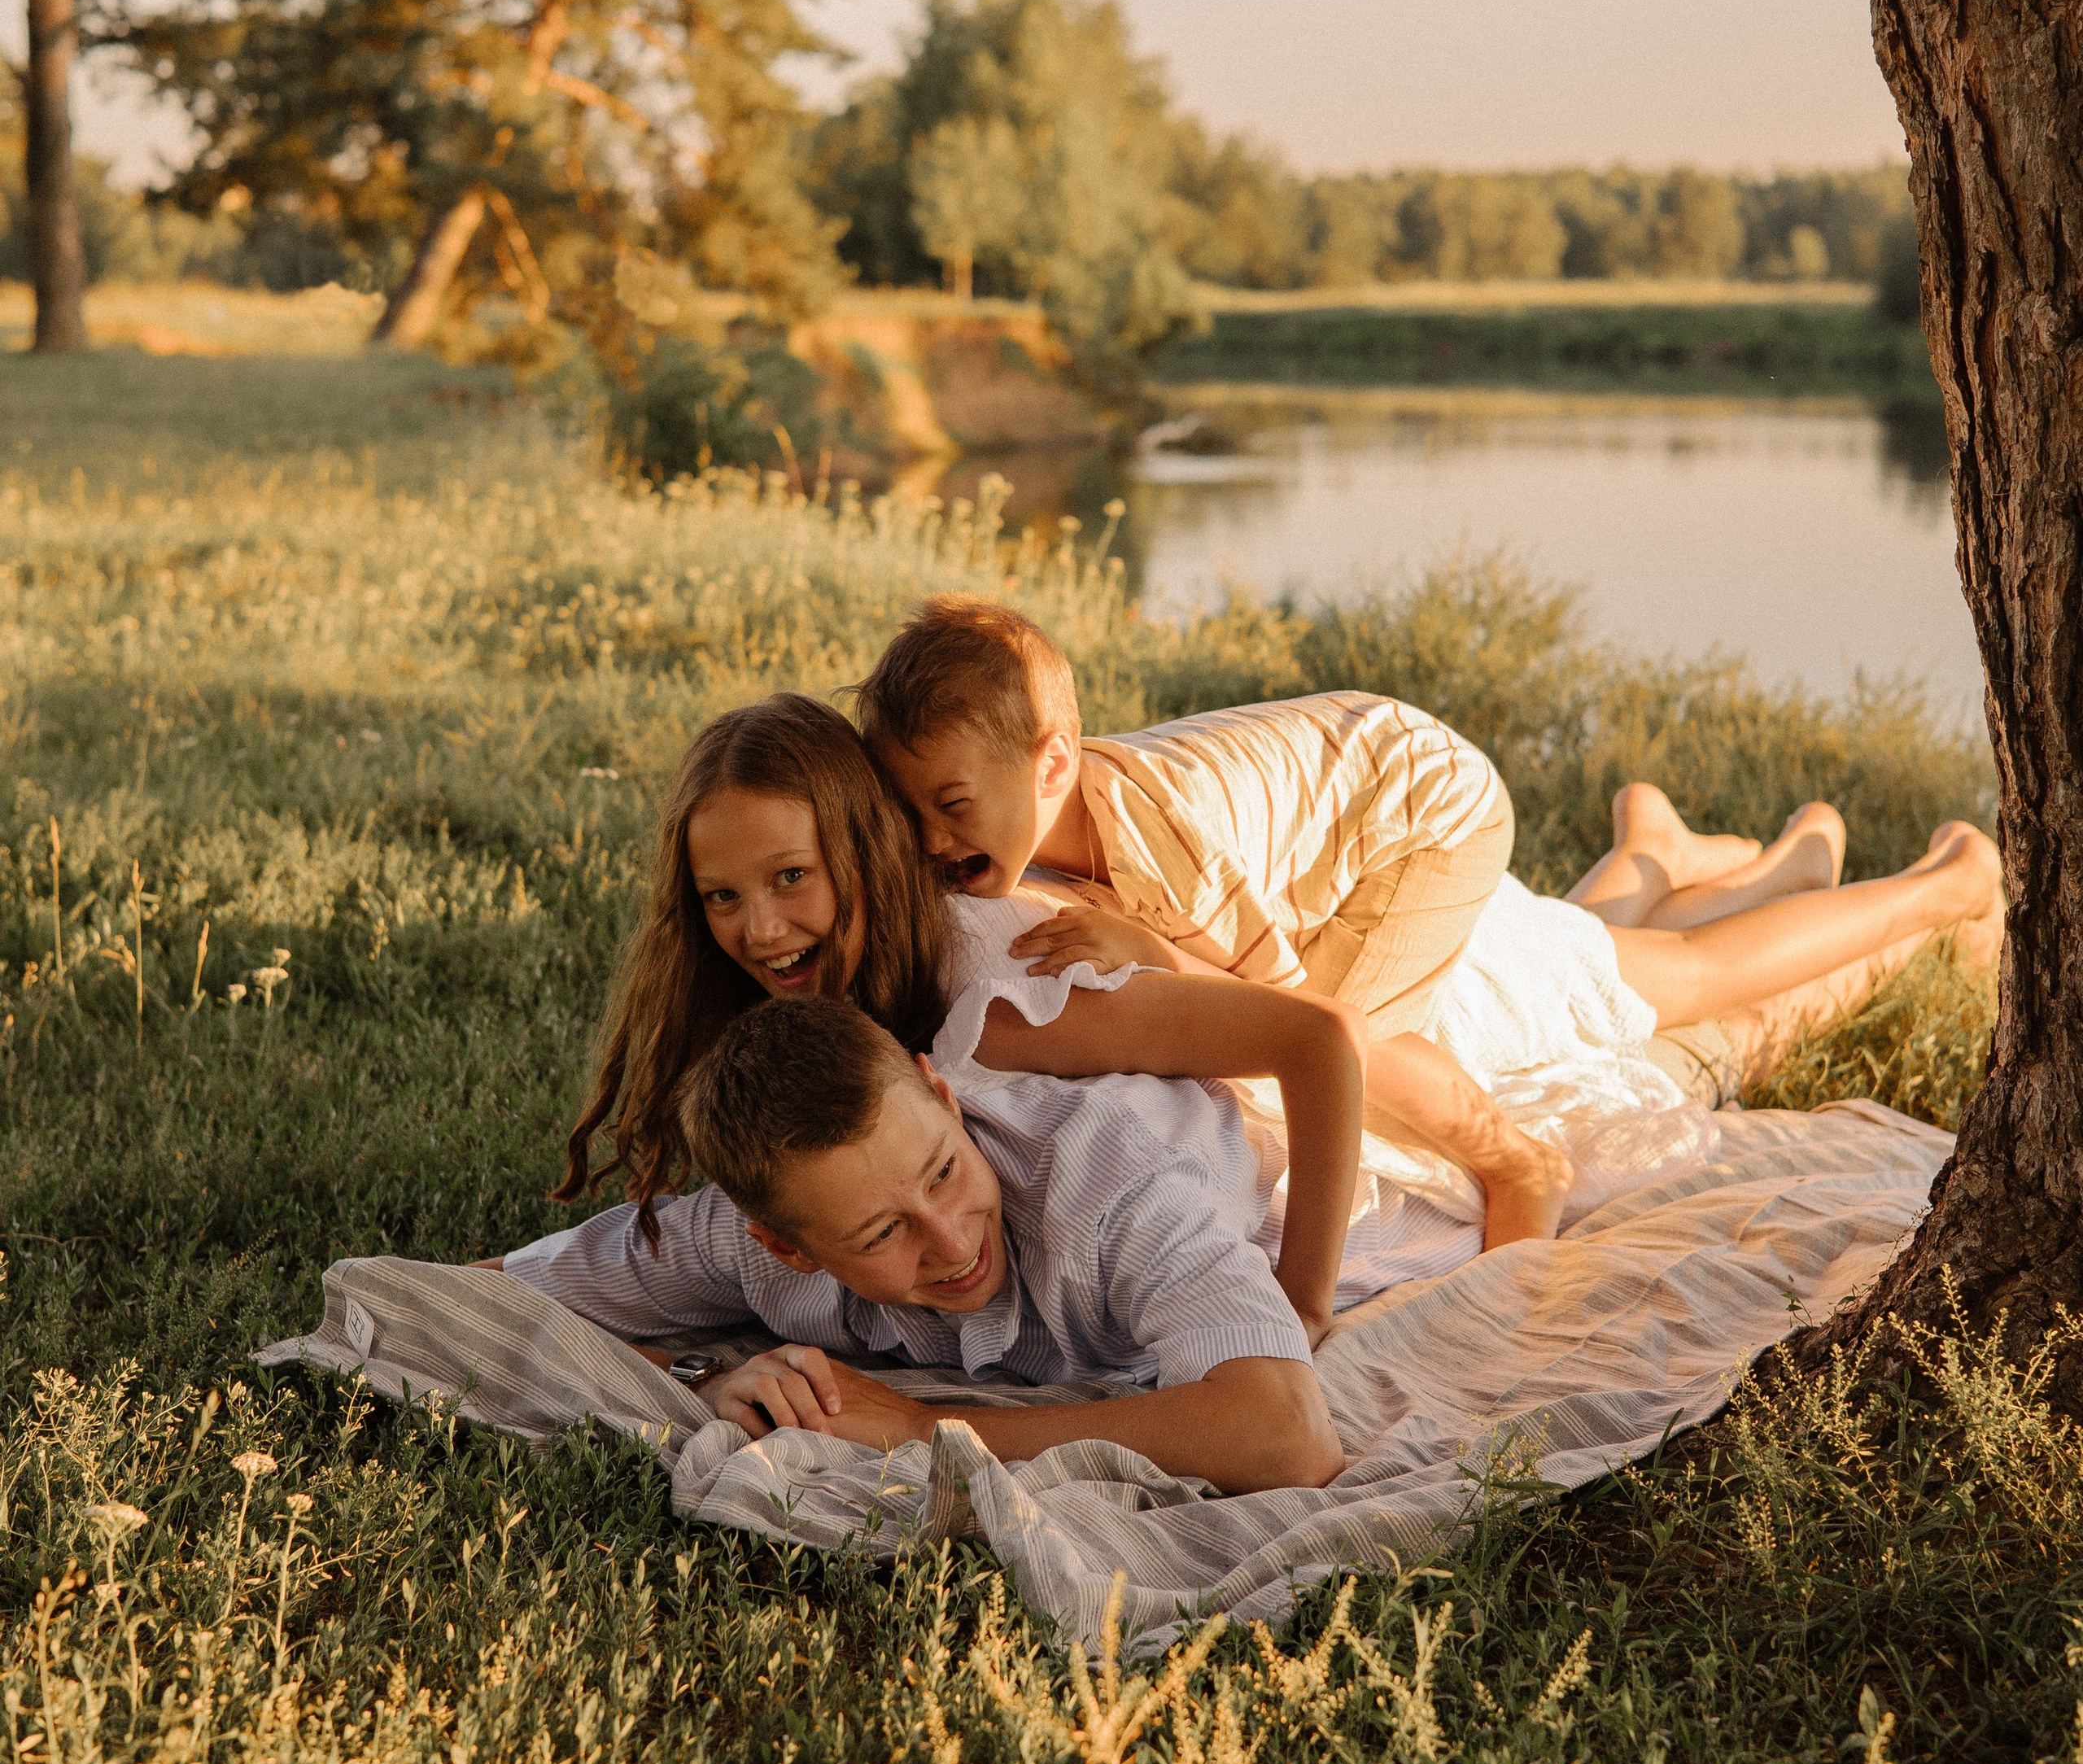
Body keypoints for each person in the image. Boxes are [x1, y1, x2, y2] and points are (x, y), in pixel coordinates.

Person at [854, 595, 2004, 1154]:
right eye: (905, 812)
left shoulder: (1169, 847)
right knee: (1553, 969)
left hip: (1423, 810)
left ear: (1053, 765)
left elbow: (1285, 1007)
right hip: (1349, 806)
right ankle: (1666, 854)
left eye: (949, 809)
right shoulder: (1030, 815)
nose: (929, 842)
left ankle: (1945, 883)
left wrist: (1149, 953)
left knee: (1369, 1032)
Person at [552, 690, 1421, 1347]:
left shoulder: (998, 995)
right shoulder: (812, 997)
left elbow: (1317, 1039)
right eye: (722, 897)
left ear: (863, 846)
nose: (760, 930)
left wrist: (1302, 1302)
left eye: (790, 877)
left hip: (1306, 1142)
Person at [508, 997, 1344, 1493]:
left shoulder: (1115, 1189)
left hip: (1362, 1179)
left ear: (943, 1097)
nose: (951, 1241)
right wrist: (706, 1378)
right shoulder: (739, 1238)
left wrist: (922, 1428)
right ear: (785, 1247)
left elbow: (1289, 1435)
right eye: (882, 1233)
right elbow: (482, 1294)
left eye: (944, 1172)